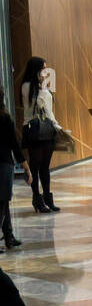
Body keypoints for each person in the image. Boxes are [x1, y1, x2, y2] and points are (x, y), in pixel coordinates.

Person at [19, 57, 66, 214]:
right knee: (35, 165)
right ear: (36, 70)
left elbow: (49, 110)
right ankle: (36, 199)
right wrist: (42, 86)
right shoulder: (27, 86)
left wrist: (57, 126)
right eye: (43, 69)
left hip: (47, 128)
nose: (45, 72)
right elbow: (39, 105)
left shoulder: (42, 86)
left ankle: (47, 198)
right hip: (33, 129)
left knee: (45, 167)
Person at [0, 94, 30, 252]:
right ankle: (8, 237)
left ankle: (9, 236)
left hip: (4, 164)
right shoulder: (5, 119)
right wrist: (26, 166)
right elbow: (15, 145)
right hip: (4, 165)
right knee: (3, 203)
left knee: (3, 204)